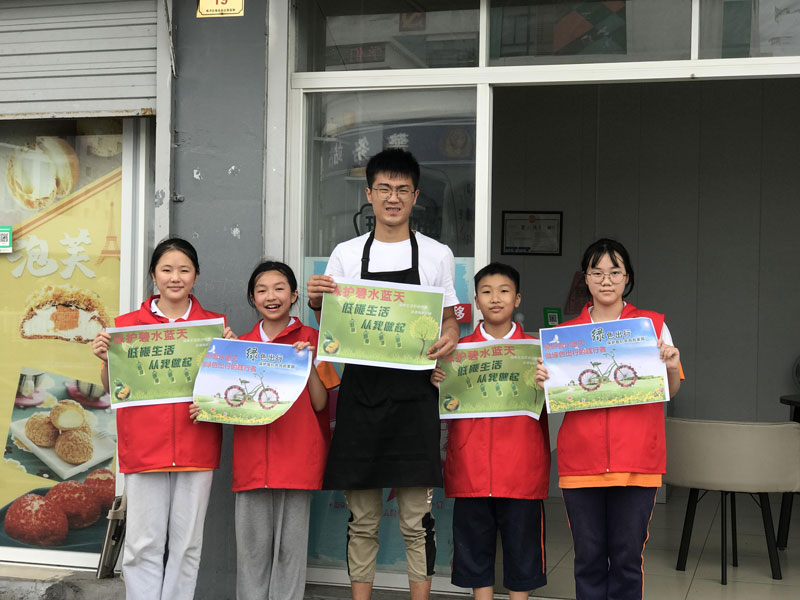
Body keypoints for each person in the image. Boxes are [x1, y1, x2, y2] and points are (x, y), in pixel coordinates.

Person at [306, 148, 460, 600]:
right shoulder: (346, 253)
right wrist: (315, 299)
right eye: (384, 189)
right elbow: (330, 325)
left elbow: (448, 319)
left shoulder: (436, 254)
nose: (393, 198)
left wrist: (450, 337)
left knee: (417, 520)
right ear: (369, 194)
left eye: (402, 190)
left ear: (416, 196)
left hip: (415, 399)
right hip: (362, 397)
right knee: (362, 519)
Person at [535, 238, 683, 600]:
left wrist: (672, 365)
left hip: (637, 462)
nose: (606, 280)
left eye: (615, 272)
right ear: (584, 278)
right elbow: (555, 396)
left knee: (627, 559)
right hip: (580, 462)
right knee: (587, 558)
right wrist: (543, 380)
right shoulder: (566, 336)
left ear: (627, 277)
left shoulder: (651, 326)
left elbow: (671, 389)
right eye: (596, 272)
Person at [91, 237, 235, 600]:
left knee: (187, 545)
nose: (175, 277)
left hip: (196, 445)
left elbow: (226, 393)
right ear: (153, 275)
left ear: (196, 276)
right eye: (166, 270)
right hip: (144, 447)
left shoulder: (213, 327)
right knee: (142, 544)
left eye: (184, 270)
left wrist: (228, 354)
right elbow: (114, 389)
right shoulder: (128, 327)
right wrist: (107, 361)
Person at [191, 260, 339, 600]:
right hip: (253, 463)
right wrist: (206, 404)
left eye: (279, 288)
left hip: (298, 461)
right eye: (261, 290)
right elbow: (224, 402)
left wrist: (308, 364)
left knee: (291, 555)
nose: (271, 296)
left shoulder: (312, 339)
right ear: (252, 298)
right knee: (252, 555)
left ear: (294, 295)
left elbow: (320, 404)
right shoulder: (240, 347)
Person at [431, 262, 550, 600]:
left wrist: (551, 383)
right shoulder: (455, 352)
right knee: (474, 551)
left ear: (517, 299)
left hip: (522, 470)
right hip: (472, 469)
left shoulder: (538, 352)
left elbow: (561, 401)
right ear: (476, 301)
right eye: (486, 292)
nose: (495, 298)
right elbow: (447, 403)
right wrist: (439, 382)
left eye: (504, 291)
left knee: (523, 552)